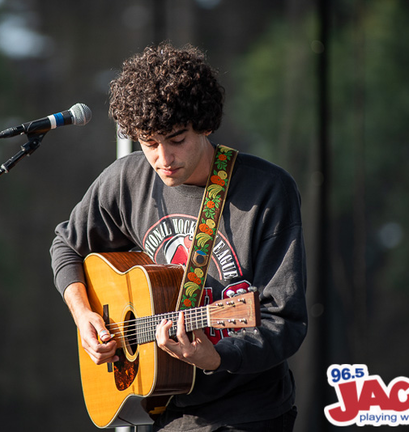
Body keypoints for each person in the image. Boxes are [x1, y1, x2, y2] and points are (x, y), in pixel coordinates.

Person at [50, 42, 307, 431]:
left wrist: (217, 357)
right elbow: (67, 246)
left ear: (204, 123)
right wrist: (84, 315)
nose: (163, 159)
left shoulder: (267, 191)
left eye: (176, 139)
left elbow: (283, 321)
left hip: (247, 412)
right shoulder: (126, 180)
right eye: (149, 143)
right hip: (158, 407)